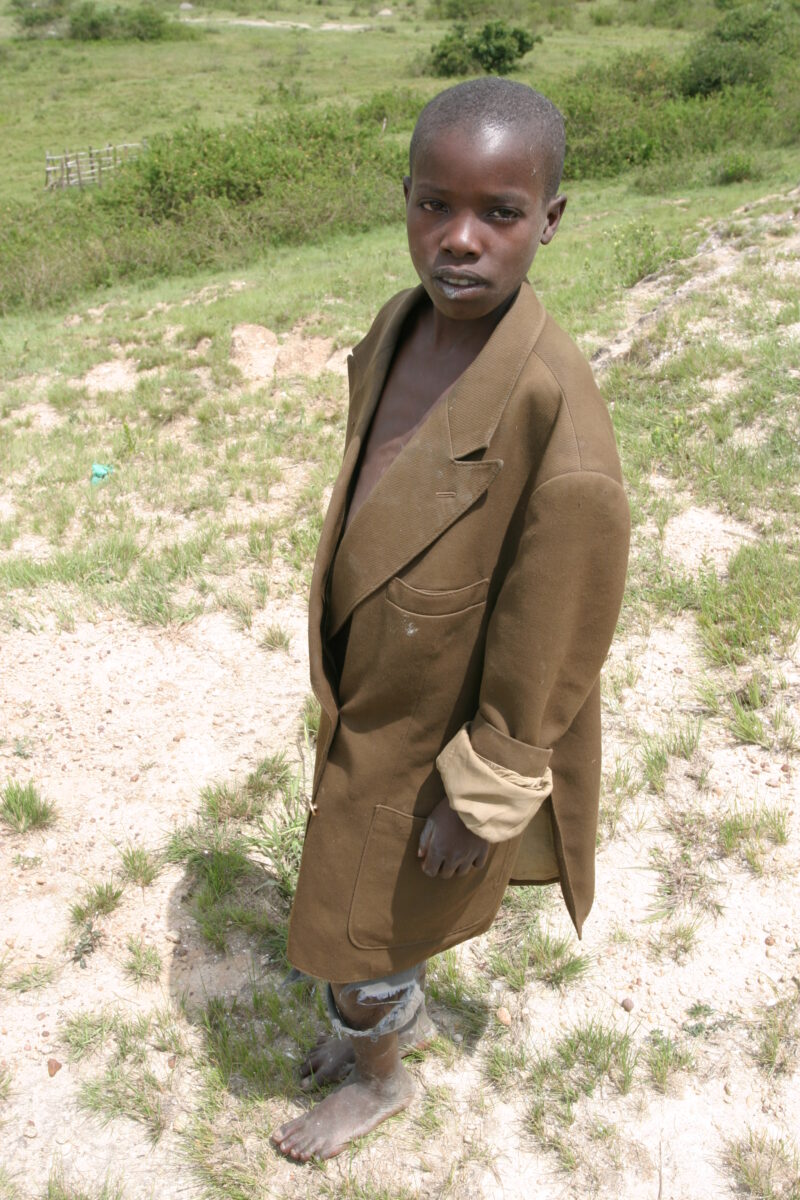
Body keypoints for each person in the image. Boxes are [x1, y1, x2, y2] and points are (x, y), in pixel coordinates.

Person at [271, 76, 630, 1163]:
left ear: (549, 221)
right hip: (376, 690)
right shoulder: (398, 326)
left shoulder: (557, 426)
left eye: (499, 214)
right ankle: (362, 1028)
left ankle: (377, 1078)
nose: (458, 240)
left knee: (364, 925)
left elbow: (554, 639)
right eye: (434, 204)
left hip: (439, 734)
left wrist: (480, 798)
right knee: (356, 904)